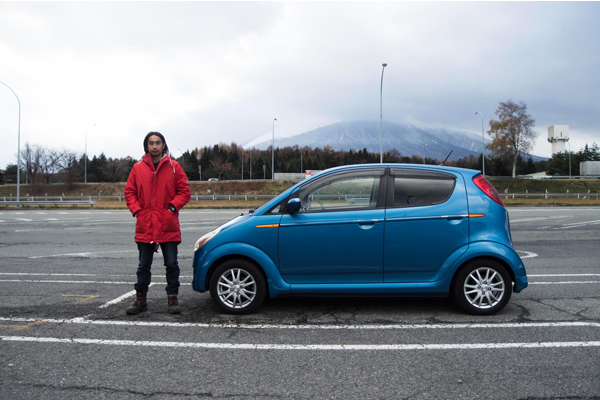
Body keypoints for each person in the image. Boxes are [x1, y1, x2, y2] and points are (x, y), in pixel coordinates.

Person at [124, 131, 191, 315]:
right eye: (151, 143)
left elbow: (184, 191)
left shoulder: (174, 166)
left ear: (163, 145)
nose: (154, 146)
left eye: (158, 142)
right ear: (146, 146)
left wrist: (171, 208)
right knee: (143, 265)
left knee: (172, 264)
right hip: (146, 225)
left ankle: (172, 298)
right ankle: (141, 299)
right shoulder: (137, 168)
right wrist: (137, 210)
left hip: (167, 224)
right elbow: (129, 192)